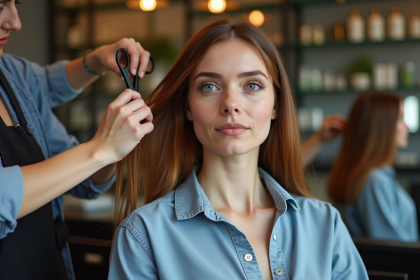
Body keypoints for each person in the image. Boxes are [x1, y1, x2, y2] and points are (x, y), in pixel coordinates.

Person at [108, 18, 368, 280]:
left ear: (276, 105)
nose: (231, 103)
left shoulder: (325, 225)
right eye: (209, 86)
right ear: (187, 107)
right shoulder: (144, 235)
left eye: (252, 85)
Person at [0, 1, 153, 279]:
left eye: (15, 3)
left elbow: (84, 180)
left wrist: (98, 59)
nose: (15, 22)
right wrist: (100, 149)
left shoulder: (11, 74)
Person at [328, 91, 419, 242]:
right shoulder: (375, 181)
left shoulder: (373, 177)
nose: (407, 126)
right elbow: (391, 249)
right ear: (382, 126)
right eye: (401, 118)